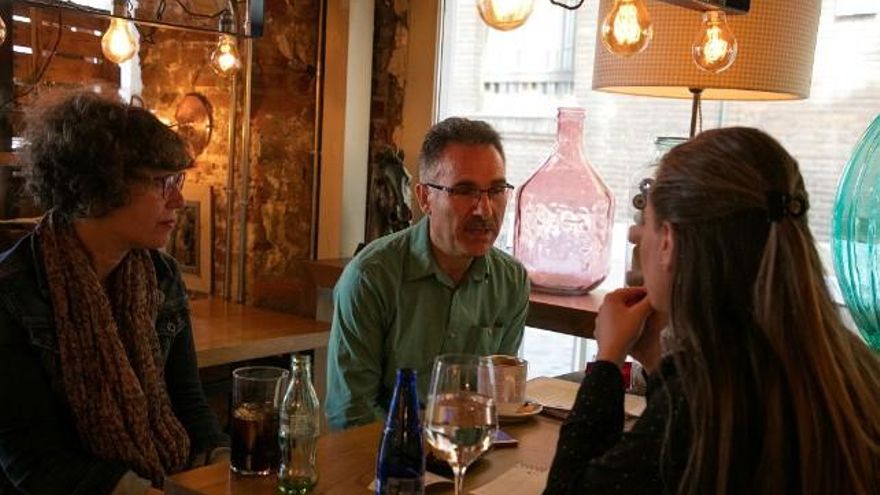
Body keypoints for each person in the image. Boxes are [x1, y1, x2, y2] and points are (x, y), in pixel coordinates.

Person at [544, 127, 880, 494]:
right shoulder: (852, 365)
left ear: (669, 241)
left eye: (646, 221)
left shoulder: (702, 396)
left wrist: (608, 361)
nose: (636, 236)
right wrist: (660, 365)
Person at [0, 92, 229, 494]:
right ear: (97, 186)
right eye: (161, 182)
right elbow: (31, 462)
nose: (178, 199)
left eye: (178, 180)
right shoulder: (12, 291)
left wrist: (222, 464)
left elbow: (191, 406)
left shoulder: (161, 276)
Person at [326, 117, 530, 430]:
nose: (485, 210)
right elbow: (350, 413)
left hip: (470, 455)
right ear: (424, 198)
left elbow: (499, 400)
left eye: (496, 190)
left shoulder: (511, 281)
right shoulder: (370, 277)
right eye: (465, 191)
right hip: (384, 461)